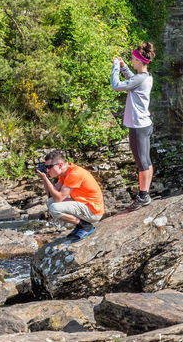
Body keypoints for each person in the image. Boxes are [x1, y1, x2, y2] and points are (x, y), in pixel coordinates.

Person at [111, 41, 155, 210]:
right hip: (144, 124)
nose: (131, 61)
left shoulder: (139, 79)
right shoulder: (146, 76)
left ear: (138, 61)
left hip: (138, 126)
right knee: (146, 160)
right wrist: (123, 67)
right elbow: (132, 79)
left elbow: (116, 86)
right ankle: (146, 194)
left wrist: (116, 67)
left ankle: (143, 196)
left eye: (132, 60)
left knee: (142, 162)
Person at [36, 149, 104, 241]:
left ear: (60, 165)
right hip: (84, 205)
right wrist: (45, 179)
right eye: (46, 167)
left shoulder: (74, 173)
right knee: (50, 202)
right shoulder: (64, 173)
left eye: (49, 167)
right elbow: (51, 195)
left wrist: (45, 178)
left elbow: (59, 198)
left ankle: (84, 226)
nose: (47, 170)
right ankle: (80, 226)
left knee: (54, 208)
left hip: (93, 211)